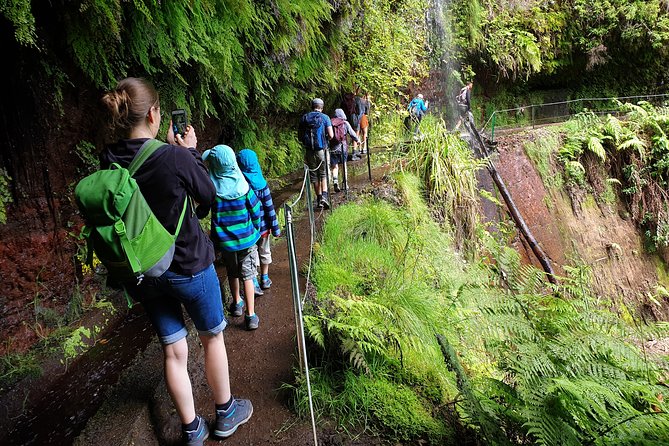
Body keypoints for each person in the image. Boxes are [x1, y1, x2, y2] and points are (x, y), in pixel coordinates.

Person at [100, 77, 252, 446]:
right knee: (212, 337)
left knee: (173, 348)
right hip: (189, 265)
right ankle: (226, 412)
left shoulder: (108, 160)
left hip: (145, 272)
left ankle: (191, 428)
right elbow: (208, 194)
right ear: (154, 114)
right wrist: (190, 151)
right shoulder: (174, 156)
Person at [204, 144, 262, 331]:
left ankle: (236, 303)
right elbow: (255, 210)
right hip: (246, 241)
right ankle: (251, 315)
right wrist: (256, 228)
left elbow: (203, 212)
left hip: (226, 243)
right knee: (248, 275)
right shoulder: (244, 187)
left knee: (232, 272)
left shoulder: (213, 193)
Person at [236, 148, 281, 290]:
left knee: (251, 254)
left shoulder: (240, 186)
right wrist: (275, 228)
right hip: (263, 228)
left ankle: (253, 281)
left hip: (248, 231)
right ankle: (265, 278)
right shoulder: (262, 184)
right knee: (264, 251)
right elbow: (269, 208)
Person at [299, 98, 333, 209]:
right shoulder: (325, 118)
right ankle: (324, 196)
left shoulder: (305, 118)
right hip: (321, 150)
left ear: (312, 106)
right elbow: (331, 135)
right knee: (323, 173)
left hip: (309, 151)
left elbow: (300, 136)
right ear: (322, 107)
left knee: (313, 175)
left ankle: (318, 199)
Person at [330, 108, 360, 192]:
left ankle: (335, 181)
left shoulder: (330, 123)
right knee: (344, 165)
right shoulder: (345, 123)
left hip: (333, 148)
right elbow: (352, 133)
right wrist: (357, 140)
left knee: (334, 167)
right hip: (343, 147)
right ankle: (345, 184)